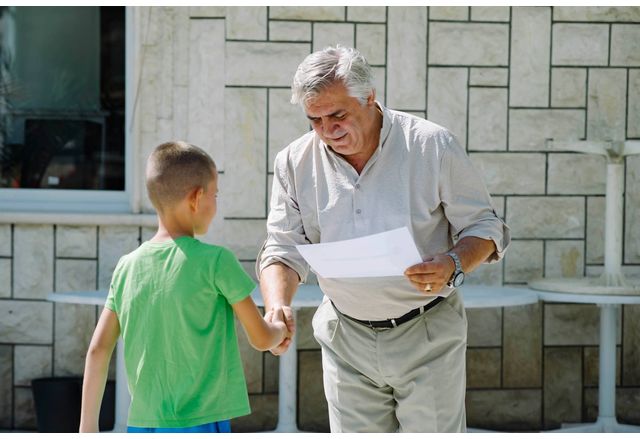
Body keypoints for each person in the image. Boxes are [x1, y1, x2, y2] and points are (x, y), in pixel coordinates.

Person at [258, 46, 511, 433]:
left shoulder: (432, 145)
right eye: (315, 120)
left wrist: (453, 264)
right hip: (345, 338)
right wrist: (278, 307)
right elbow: (282, 248)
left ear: (370, 97)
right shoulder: (293, 161)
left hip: (427, 333)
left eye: (338, 115)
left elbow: (485, 227)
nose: (328, 130)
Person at [80, 141, 289, 433]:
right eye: (215, 195)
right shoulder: (217, 261)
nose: (216, 204)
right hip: (201, 422)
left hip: (143, 425)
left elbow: (98, 350)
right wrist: (279, 325)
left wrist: (86, 429)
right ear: (197, 197)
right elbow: (261, 338)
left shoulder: (127, 267)